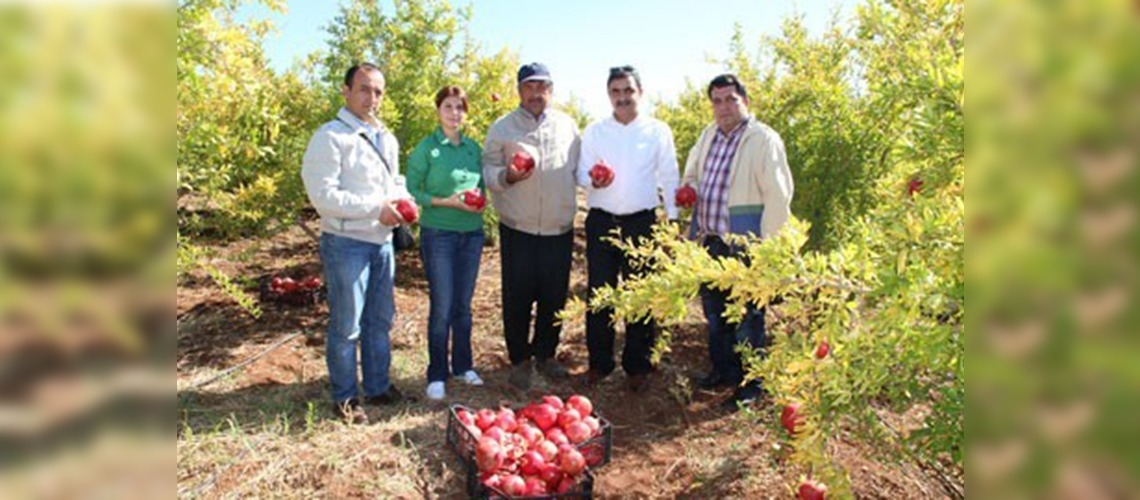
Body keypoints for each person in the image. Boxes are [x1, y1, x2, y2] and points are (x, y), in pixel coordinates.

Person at [301, 63, 412, 424]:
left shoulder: (386, 138)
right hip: (347, 242)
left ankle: (378, 386)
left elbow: (394, 180)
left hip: (381, 243)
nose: (372, 98)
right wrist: (374, 209)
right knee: (346, 324)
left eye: (378, 91)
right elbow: (323, 196)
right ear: (346, 91)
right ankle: (345, 397)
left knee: (379, 321)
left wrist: (403, 201)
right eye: (364, 89)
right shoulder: (330, 137)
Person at [679, 73, 794, 409]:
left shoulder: (762, 140)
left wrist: (770, 251)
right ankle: (725, 370)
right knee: (716, 315)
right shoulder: (708, 135)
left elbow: (778, 197)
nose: (724, 107)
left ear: (746, 101)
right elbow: (692, 174)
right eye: (717, 100)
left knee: (748, 318)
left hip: (746, 243)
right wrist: (687, 193)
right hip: (711, 240)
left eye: (731, 99)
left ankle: (752, 384)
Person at [577, 65, 680, 393]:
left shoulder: (657, 130)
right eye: (615, 92)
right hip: (603, 221)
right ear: (609, 95)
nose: (622, 98)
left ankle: (637, 365)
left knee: (640, 294)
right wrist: (593, 178)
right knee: (600, 293)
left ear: (640, 93)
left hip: (642, 222)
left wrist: (673, 220)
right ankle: (599, 362)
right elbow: (580, 174)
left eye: (628, 91)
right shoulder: (595, 131)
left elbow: (669, 175)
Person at [482, 62, 581, 390]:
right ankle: (520, 359)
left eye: (542, 87)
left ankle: (546, 355)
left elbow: (579, 170)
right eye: (529, 86)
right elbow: (488, 171)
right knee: (517, 296)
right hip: (518, 226)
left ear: (551, 90)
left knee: (554, 296)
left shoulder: (568, 126)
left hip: (558, 227)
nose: (536, 93)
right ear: (519, 90)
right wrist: (507, 176)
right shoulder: (502, 127)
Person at [405, 85, 486, 401]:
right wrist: (446, 202)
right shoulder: (426, 149)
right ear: (438, 111)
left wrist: (480, 202)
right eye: (449, 107)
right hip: (439, 233)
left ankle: (463, 366)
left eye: (460, 108)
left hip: (472, 233)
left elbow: (481, 185)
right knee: (442, 306)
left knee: (463, 306)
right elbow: (413, 191)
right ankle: (436, 373)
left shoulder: (473, 149)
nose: (455, 113)